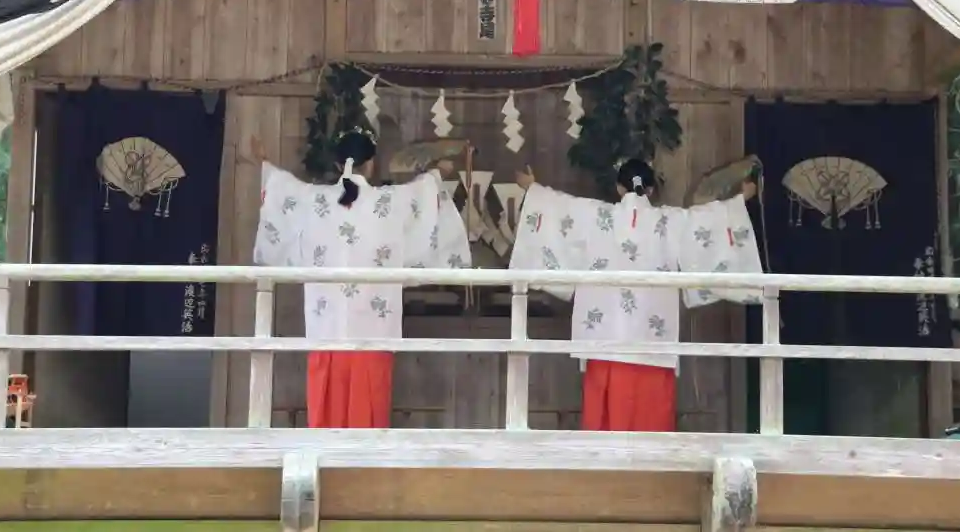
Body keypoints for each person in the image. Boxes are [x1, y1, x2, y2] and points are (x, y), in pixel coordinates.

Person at [510, 158, 763, 432]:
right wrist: (742, 199)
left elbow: (558, 207)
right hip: (651, 338)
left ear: (619, 188)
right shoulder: (671, 221)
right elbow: (709, 220)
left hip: (605, 337)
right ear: (651, 189)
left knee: (605, 418)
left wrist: (532, 188)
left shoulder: (594, 215)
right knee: (651, 414)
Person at [252, 128, 469, 428]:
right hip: (372, 333)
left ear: (338, 164)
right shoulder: (390, 203)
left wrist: (264, 163)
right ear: (371, 164)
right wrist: (438, 173)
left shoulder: (314, 201)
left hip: (326, 332)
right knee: (369, 418)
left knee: (326, 416)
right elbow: (424, 194)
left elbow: (282, 189)